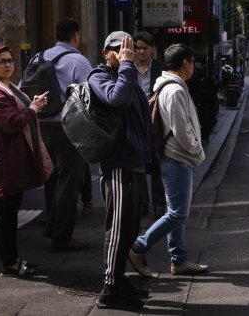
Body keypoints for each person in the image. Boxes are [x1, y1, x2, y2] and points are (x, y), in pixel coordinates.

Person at [89, 31, 156, 310]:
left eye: (129, 48)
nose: (127, 52)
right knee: (117, 228)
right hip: (118, 163)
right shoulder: (99, 76)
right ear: (107, 52)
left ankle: (119, 280)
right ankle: (109, 288)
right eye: (121, 48)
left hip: (135, 161)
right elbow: (117, 100)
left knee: (130, 226)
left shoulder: (124, 75)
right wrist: (127, 65)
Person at [129, 43, 208, 277]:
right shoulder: (174, 91)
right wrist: (197, 151)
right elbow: (181, 130)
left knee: (176, 212)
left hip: (176, 157)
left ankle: (179, 259)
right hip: (177, 157)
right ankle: (138, 247)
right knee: (177, 214)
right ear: (185, 63)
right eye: (193, 62)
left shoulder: (173, 87)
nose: (194, 67)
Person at [0, 46, 53, 277]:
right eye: (1, 61)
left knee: (11, 213)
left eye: (10, 60)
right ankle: (9, 263)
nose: (8, 65)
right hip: (1, 160)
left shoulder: (7, 87)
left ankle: (14, 258)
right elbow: (11, 122)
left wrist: (32, 105)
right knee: (7, 214)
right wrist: (34, 108)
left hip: (12, 158)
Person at [37, 18, 92, 252]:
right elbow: (91, 95)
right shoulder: (78, 61)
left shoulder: (38, 58)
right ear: (76, 35)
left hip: (42, 125)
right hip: (68, 126)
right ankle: (62, 237)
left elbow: (23, 89)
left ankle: (52, 225)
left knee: (54, 177)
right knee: (70, 181)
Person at [132, 31, 167, 218]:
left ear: (152, 49)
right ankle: (142, 203)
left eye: (145, 48)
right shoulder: (128, 69)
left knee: (156, 164)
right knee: (138, 165)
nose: (141, 52)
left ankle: (159, 203)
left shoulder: (162, 69)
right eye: (137, 48)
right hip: (135, 121)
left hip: (156, 122)